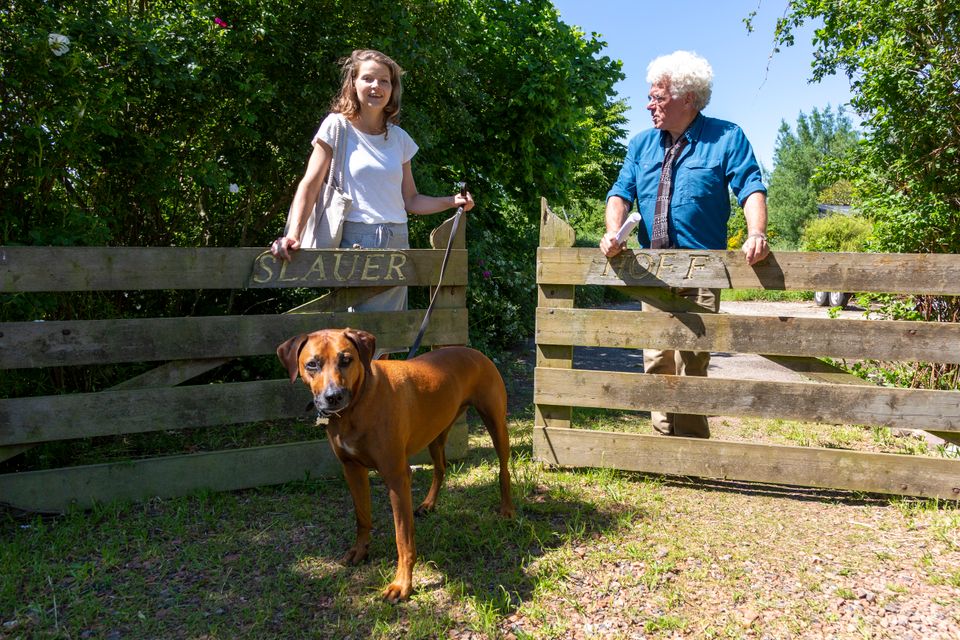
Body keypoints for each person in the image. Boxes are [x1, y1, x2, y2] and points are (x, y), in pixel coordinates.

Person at [599, 50, 769, 439]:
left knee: (695, 357)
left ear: (687, 98)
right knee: (656, 357)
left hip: (702, 268)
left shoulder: (726, 137)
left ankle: (692, 445)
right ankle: (663, 442)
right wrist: (613, 232)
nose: (649, 104)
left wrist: (756, 233)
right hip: (651, 268)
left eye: (658, 97)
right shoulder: (641, 144)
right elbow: (620, 193)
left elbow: (751, 187)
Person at [270, 49, 473, 311]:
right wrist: (293, 234)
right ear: (353, 83)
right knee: (358, 333)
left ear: (392, 89)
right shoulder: (336, 126)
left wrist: (451, 201)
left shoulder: (399, 138)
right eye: (368, 79)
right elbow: (309, 184)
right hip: (356, 239)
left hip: (398, 240)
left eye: (384, 81)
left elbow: (410, 200)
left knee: (390, 334)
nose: (376, 86)